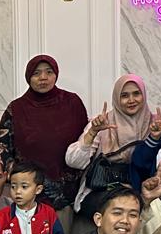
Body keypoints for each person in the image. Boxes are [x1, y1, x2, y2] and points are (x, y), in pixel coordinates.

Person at [0, 54, 88, 234]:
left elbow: (85, 143)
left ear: (56, 75)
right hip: (28, 193)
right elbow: (2, 148)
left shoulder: (72, 103)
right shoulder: (17, 108)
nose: (43, 78)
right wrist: (18, 180)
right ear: (28, 77)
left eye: (49, 72)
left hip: (65, 193)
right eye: (36, 73)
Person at [65, 74, 154, 217]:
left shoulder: (154, 124)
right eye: (124, 95)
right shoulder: (102, 123)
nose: (131, 100)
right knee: (118, 208)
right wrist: (93, 132)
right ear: (116, 98)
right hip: (101, 190)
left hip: (141, 188)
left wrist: (156, 137)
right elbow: (74, 161)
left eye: (136, 94)